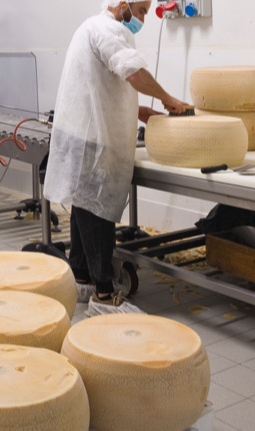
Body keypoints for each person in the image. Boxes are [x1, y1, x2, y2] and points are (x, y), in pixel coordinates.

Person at [44, 0, 187, 316]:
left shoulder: (91, 28)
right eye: (142, 11)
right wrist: (167, 98)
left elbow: (100, 88)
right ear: (123, 4)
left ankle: (82, 277)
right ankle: (104, 294)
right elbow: (133, 74)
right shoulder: (108, 30)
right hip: (92, 139)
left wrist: (139, 110)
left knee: (84, 206)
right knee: (98, 211)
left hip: (83, 132)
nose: (143, 19)